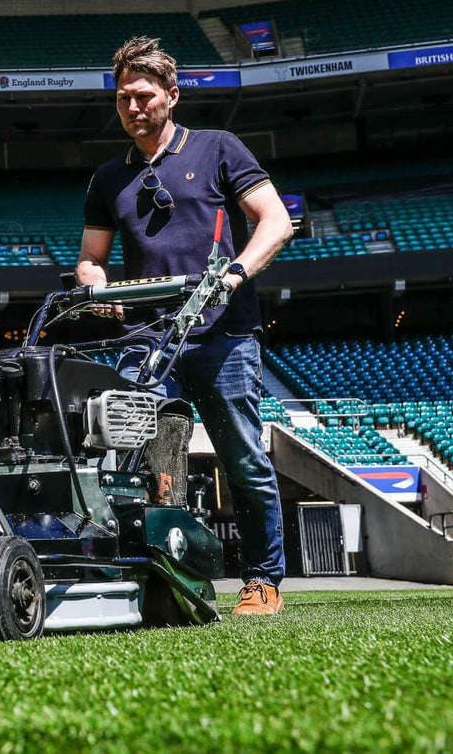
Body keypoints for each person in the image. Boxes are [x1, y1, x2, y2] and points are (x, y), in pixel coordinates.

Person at [77, 36, 294, 617]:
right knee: (131, 459)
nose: (132, 107)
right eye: (123, 97)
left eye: (144, 95)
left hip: (223, 335)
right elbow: (90, 257)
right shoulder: (107, 179)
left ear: (172, 96)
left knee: (243, 458)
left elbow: (275, 221)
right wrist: (96, 291)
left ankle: (263, 580)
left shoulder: (220, 149)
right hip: (146, 342)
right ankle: (149, 580)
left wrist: (236, 275)